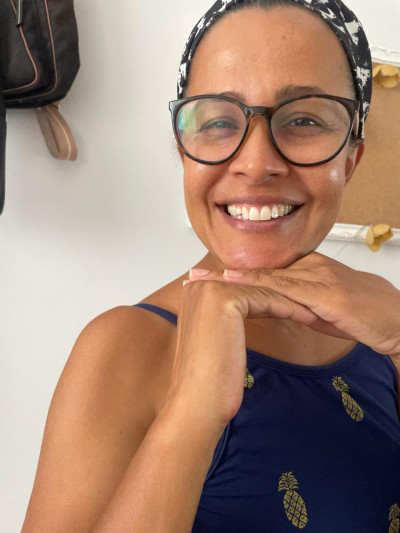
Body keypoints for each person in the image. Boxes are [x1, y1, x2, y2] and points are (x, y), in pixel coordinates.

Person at [22, 0, 400, 531]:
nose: (256, 163)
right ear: (184, 151)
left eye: (305, 120)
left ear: (350, 159)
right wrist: (192, 414)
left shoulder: (379, 329)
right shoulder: (123, 346)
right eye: (219, 121)